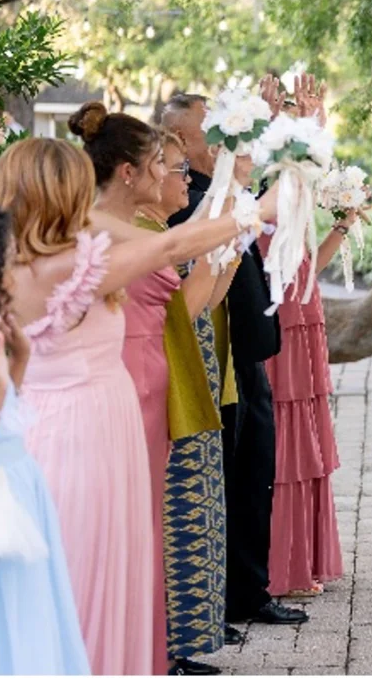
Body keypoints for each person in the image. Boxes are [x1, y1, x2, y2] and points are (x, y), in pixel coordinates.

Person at [0, 137, 277, 674]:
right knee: (94, 571)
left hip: (49, 428)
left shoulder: (9, 265)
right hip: (86, 437)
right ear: (64, 195)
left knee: (75, 569)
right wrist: (254, 212)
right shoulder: (69, 267)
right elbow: (169, 249)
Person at [162, 93, 309, 628]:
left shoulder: (224, 191)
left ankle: (249, 590)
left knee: (254, 473)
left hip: (247, 350)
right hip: (216, 358)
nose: (229, 147)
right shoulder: (189, 202)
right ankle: (222, 597)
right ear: (183, 140)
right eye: (216, 134)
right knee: (229, 478)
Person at [138, 128, 240, 675]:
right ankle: (163, 647)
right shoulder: (145, 237)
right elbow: (180, 311)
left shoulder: (161, 231)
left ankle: (181, 643)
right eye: (175, 168)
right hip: (168, 382)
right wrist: (212, 259)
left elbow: (209, 298)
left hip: (195, 372)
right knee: (174, 519)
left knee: (198, 512)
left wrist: (226, 261)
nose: (184, 179)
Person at [0, 201, 90, 675]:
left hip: (20, 488)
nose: (14, 270)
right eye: (7, 259)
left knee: (29, 623)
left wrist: (17, 366)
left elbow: (4, 419)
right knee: (0, 626)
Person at [256, 74, 345, 599]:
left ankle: (302, 557)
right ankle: (279, 564)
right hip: (277, 319)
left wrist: (342, 226)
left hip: (304, 313)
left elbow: (308, 263)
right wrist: (291, 122)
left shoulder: (296, 190)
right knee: (283, 438)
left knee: (304, 435)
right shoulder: (258, 194)